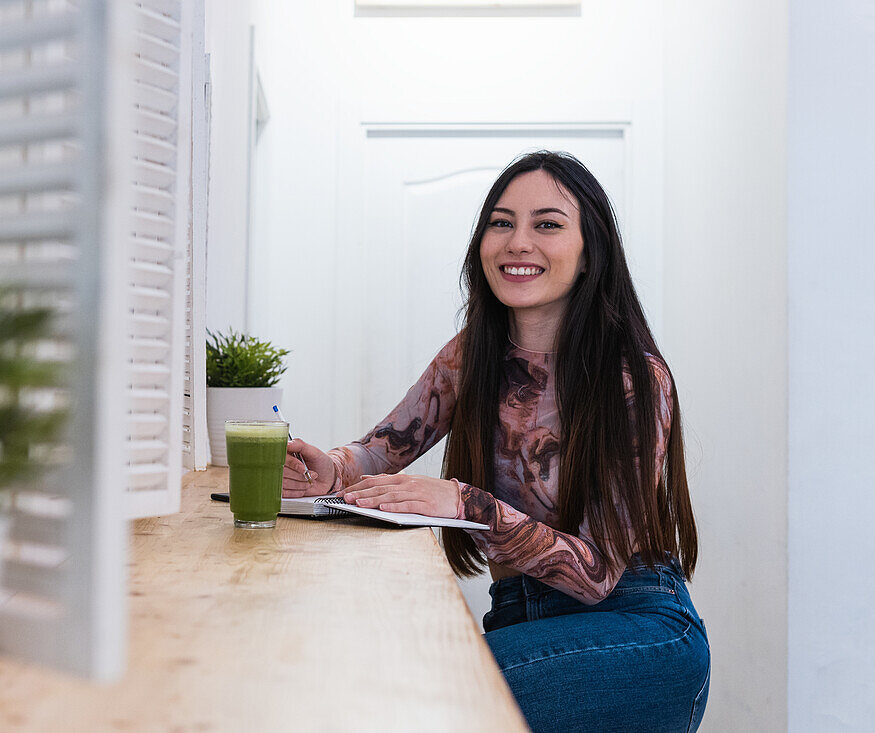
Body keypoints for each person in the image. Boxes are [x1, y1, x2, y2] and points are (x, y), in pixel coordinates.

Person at [283, 150, 710, 732]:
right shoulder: (474, 352)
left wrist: (468, 505)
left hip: (633, 629)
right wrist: (330, 469)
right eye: (502, 222)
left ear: (591, 253)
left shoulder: (632, 378)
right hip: (521, 620)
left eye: (548, 224)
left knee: (407, 697)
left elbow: (597, 573)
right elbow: (385, 447)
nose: (518, 242)